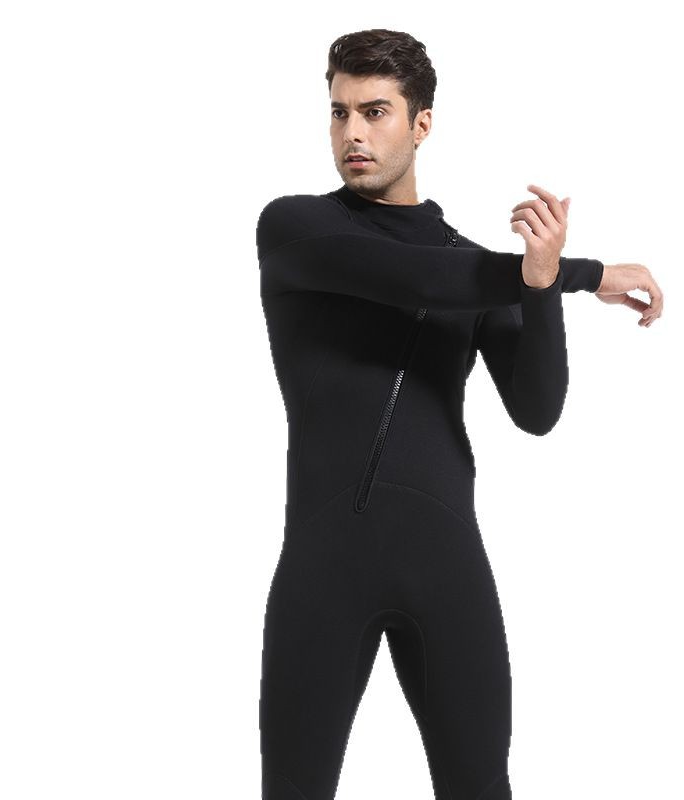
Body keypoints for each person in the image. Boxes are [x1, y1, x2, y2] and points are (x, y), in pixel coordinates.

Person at [254, 29, 663, 800]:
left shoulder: (479, 270)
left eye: (375, 112)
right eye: (340, 112)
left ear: (422, 123)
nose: (353, 133)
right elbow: (417, 278)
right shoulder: (295, 230)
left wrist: (541, 290)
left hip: (447, 569)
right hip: (322, 570)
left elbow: (537, 410)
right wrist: (578, 273)